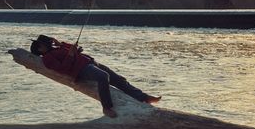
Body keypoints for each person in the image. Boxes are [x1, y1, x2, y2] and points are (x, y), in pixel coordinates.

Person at [30, 35, 161, 118]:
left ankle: (143, 97)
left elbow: (74, 50)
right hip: (80, 70)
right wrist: (70, 55)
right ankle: (107, 107)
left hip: (89, 62)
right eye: (43, 43)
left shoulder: (57, 48)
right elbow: (63, 69)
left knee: (118, 79)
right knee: (103, 76)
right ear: (40, 49)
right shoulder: (47, 58)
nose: (48, 43)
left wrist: (62, 44)